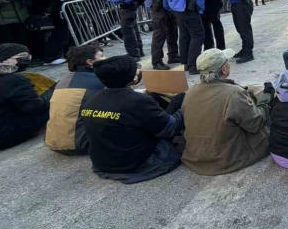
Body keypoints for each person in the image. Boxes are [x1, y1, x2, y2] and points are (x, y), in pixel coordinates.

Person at [82, 55, 184, 184]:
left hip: (103, 162)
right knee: (179, 103)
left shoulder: (92, 98)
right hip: (133, 163)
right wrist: (185, 106)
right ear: (133, 77)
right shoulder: (138, 101)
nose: (138, 71)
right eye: (136, 68)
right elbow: (169, 129)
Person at [181, 48, 270, 175]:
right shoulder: (234, 94)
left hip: (196, 157)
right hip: (228, 159)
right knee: (269, 121)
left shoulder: (191, 92)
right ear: (224, 69)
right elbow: (256, 124)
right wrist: (266, 99)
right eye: (227, 61)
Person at [45, 44, 105, 155]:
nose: (105, 59)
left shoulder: (63, 80)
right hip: (82, 143)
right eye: (101, 56)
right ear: (90, 62)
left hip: (54, 142)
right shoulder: (98, 80)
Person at [0, 43, 49, 152]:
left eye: (28, 56)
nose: (26, 60)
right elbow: (34, 107)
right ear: (4, 60)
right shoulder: (12, 79)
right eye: (21, 57)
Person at [24, 0, 71, 65]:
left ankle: (53, 55)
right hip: (47, 13)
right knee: (57, 34)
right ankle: (52, 57)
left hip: (48, 12)